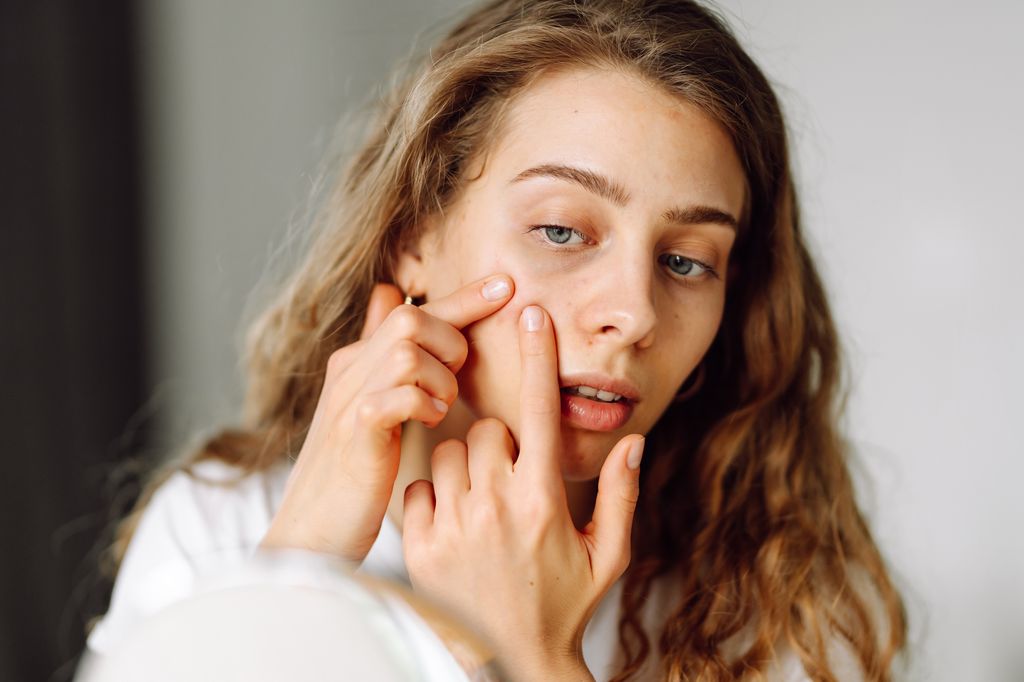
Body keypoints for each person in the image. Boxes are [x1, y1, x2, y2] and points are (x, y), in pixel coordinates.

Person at [85, 0, 908, 679]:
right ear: (412, 237)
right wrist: (300, 564)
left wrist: (536, 657)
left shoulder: (773, 598)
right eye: (559, 231)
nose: (635, 313)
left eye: (687, 262)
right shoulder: (216, 530)